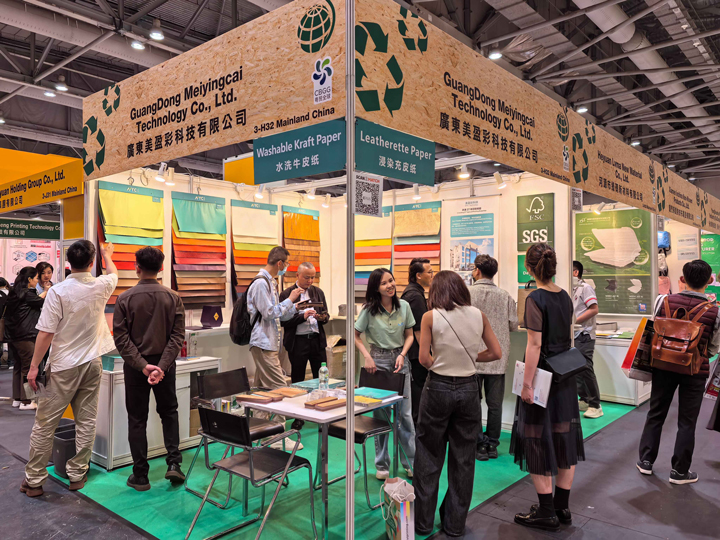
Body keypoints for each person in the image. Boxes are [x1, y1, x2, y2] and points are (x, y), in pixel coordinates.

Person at [20, 240, 117, 498]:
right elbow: (113, 273)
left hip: (63, 367)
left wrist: (33, 368)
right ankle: (77, 474)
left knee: (45, 423)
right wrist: (107, 255)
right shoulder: (102, 285)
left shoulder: (58, 292)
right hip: (93, 363)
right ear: (91, 263)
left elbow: (45, 333)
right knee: (86, 421)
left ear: (68, 263)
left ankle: (34, 480)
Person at [414, 271, 501, 537]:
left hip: (438, 387)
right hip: (469, 388)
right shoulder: (478, 315)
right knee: (463, 458)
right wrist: (471, 358)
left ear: (436, 291)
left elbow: (424, 359)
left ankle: (422, 523)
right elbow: (496, 352)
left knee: (428, 454)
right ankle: (454, 524)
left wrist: (441, 363)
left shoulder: (430, 317)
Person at [510, 243, 584, 532]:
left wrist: (526, 385)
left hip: (542, 378)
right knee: (565, 436)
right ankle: (561, 506)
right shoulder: (564, 296)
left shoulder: (534, 299)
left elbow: (535, 344)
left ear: (528, 268)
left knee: (535, 438)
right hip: (565, 377)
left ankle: (545, 511)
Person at [637, 259, 720, 485]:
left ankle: (645, 461)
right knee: (687, 421)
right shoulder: (715, 311)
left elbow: (653, 328)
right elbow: (713, 347)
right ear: (709, 281)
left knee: (656, 413)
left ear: (682, 279)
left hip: (663, 366)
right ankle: (680, 472)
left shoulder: (662, 301)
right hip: (695, 371)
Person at [113, 247, 185, 492]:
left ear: (137, 267)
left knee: (137, 419)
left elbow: (121, 339)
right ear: (161, 268)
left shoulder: (125, 299)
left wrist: (143, 366)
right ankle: (174, 463)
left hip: (136, 367)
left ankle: (140, 475)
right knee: (169, 412)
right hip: (165, 366)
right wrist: (161, 367)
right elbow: (177, 337)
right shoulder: (173, 297)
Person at [354, 268, 416, 479]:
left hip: (400, 361)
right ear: (376, 288)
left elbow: (410, 335)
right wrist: (367, 356)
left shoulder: (404, 306)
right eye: (384, 283)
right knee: (381, 416)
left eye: (391, 280)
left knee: (404, 415)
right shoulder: (368, 310)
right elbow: (355, 335)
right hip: (377, 362)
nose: (390, 285)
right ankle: (382, 464)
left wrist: (403, 354)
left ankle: (410, 462)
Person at [247, 246, 304, 432]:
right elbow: (269, 313)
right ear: (280, 263)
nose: (286, 267)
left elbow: (278, 315)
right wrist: (290, 299)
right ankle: (278, 435)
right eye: (286, 264)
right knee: (281, 388)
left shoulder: (270, 282)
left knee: (261, 391)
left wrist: (294, 307)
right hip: (263, 343)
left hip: (268, 343)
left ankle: (259, 431)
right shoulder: (260, 283)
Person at [469, 254, 518, 460]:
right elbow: (513, 325)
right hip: (497, 358)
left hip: (472, 356)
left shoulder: (466, 293)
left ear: (477, 271)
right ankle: (492, 444)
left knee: (473, 403)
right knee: (495, 404)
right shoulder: (505, 296)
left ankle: (478, 444)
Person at [279, 261, 329, 431]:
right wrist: (303, 316)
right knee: (298, 381)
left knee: (321, 379)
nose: (310, 281)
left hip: (316, 340)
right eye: (307, 277)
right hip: (298, 341)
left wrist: (321, 317)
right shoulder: (287, 294)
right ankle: (298, 417)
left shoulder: (318, 292)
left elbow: (326, 315)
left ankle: (322, 416)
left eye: (313, 277)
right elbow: (282, 321)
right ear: (297, 275)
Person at [7, 267, 49, 410]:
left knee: (18, 366)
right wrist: (47, 291)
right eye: (36, 278)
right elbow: (41, 302)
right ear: (30, 279)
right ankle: (27, 401)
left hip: (14, 336)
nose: (38, 280)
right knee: (29, 367)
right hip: (27, 335)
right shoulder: (28, 294)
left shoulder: (14, 292)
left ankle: (17, 398)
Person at [400, 257, 433, 425]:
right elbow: (419, 330)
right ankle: (417, 431)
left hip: (413, 351)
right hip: (416, 354)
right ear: (418, 275)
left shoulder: (412, 293)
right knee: (418, 393)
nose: (432, 275)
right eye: (429, 272)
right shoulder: (415, 296)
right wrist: (426, 356)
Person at [572, 261, 603, 419]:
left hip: (584, 334)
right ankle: (584, 399)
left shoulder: (585, 288)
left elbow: (594, 309)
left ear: (575, 272)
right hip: (573, 335)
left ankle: (595, 405)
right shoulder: (569, 289)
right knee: (576, 369)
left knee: (585, 368)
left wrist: (575, 321)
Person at [0, 277, 10, 370]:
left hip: (1, 320)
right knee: (10, 340)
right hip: (10, 320)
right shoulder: (11, 294)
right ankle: (10, 361)